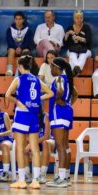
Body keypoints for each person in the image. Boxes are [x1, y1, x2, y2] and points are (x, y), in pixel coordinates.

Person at [6, 55, 53, 189]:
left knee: (20, 148)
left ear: (20, 67)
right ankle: (36, 181)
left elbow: (7, 95)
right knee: (34, 148)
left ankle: (21, 180)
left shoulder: (18, 79)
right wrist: (38, 100)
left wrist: (18, 102)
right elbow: (50, 93)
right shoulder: (37, 80)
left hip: (22, 115)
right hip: (34, 115)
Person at [46, 58, 78, 188]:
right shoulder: (67, 79)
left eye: (52, 67)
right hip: (67, 112)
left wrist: (59, 99)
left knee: (60, 146)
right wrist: (68, 104)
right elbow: (75, 94)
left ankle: (62, 178)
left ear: (57, 68)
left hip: (59, 113)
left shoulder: (59, 79)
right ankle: (66, 176)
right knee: (65, 146)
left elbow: (59, 91)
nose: (50, 69)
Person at [24, 110, 55, 184]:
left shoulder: (45, 117)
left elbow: (46, 136)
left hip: (48, 141)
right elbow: (26, 136)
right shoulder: (28, 117)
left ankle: (42, 174)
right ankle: (27, 174)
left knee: (45, 143)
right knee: (22, 144)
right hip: (35, 142)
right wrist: (31, 142)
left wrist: (32, 143)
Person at [64, 10, 92, 77]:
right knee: (72, 56)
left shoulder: (86, 27)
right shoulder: (70, 28)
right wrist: (67, 34)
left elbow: (88, 41)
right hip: (72, 49)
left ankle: (73, 73)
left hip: (85, 49)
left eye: (81, 18)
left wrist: (81, 39)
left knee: (83, 56)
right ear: (74, 19)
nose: (79, 19)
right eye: (77, 18)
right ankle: (77, 72)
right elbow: (65, 43)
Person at [6, 11, 33, 76]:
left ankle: (24, 71)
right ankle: (9, 70)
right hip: (13, 48)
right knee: (11, 50)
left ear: (23, 20)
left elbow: (28, 41)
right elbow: (9, 41)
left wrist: (21, 48)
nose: (18, 21)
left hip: (23, 48)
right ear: (14, 20)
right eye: (16, 19)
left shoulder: (27, 30)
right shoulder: (10, 29)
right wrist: (16, 48)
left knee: (26, 51)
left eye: (20, 19)